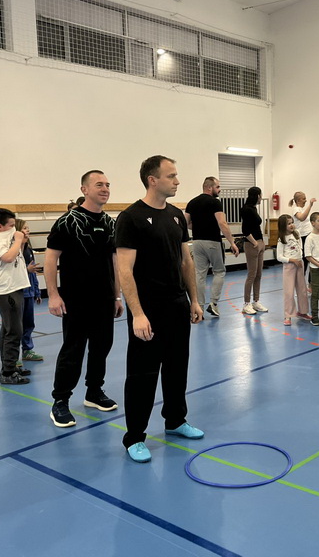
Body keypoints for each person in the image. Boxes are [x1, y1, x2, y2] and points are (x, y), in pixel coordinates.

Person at [115, 155, 204, 464]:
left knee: (177, 367)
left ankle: (176, 420)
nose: (177, 181)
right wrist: (138, 314)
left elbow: (186, 261)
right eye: (171, 176)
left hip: (177, 304)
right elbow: (125, 270)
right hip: (148, 309)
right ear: (153, 180)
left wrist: (194, 299)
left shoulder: (177, 215)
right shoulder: (131, 218)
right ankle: (134, 437)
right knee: (142, 374)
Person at [46, 170, 123, 427]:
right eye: (99, 184)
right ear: (84, 189)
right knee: (73, 350)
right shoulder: (68, 221)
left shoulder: (111, 223)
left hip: (104, 299)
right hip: (76, 300)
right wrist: (53, 294)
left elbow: (115, 262)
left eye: (107, 185)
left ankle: (94, 392)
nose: (105, 189)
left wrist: (117, 296)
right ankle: (60, 401)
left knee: (101, 347)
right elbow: (51, 259)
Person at [0, 208, 32, 384]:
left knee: (8, 329)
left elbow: (18, 256)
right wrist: (18, 240)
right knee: (14, 331)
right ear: (0, 226)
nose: (14, 228)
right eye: (11, 225)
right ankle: (8, 372)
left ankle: (9, 365)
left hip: (15, 287)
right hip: (7, 290)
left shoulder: (6, 238)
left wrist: (21, 242)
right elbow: (8, 257)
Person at [184, 176, 239, 318]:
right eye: (217, 187)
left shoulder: (192, 202)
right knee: (219, 271)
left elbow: (186, 224)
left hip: (197, 242)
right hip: (213, 242)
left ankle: (199, 308)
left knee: (200, 275)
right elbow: (222, 223)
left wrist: (199, 227)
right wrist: (232, 242)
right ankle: (213, 303)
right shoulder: (215, 203)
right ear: (209, 188)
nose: (219, 190)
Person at [14, 219, 44, 364]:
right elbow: (14, 271)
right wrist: (27, 269)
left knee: (29, 323)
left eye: (28, 228)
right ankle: (13, 355)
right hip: (19, 292)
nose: (28, 231)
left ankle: (27, 350)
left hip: (29, 292)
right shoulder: (14, 251)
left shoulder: (28, 250)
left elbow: (34, 273)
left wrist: (37, 291)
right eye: (25, 228)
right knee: (16, 325)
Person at [276, 214, 309, 326]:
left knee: (302, 289)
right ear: (283, 226)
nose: (291, 225)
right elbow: (279, 257)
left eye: (292, 223)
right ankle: (288, 315)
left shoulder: (297, 234)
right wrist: (292, 260)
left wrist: (300, 259)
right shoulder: (281, 239)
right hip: (289, 266)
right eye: (288, 224)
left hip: (299, 264)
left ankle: (303, 312)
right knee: (289, 292)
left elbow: (300, 247)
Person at [240, 186, 268, 315]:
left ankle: (256, 301)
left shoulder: (254, 208)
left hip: (259, 243)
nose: (261, 197)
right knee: (251, 275)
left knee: (258, 274)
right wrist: (255, 242)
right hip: (252, 244)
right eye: (260, 195)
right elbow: (245, 230)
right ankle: (246, 303)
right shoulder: (246, 209)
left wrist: (261, 242)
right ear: (257, 196)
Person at [289, 191, 316, 277]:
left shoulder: (302, 210)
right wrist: (310, 205)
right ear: (298, 200)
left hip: (308, 235)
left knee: (311, 258)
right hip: (302, 237)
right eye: (304, 199)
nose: (305, 200)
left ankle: (310, 280)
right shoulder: (296, 209)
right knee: (305, 258)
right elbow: (301, 218)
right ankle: (301, 278)